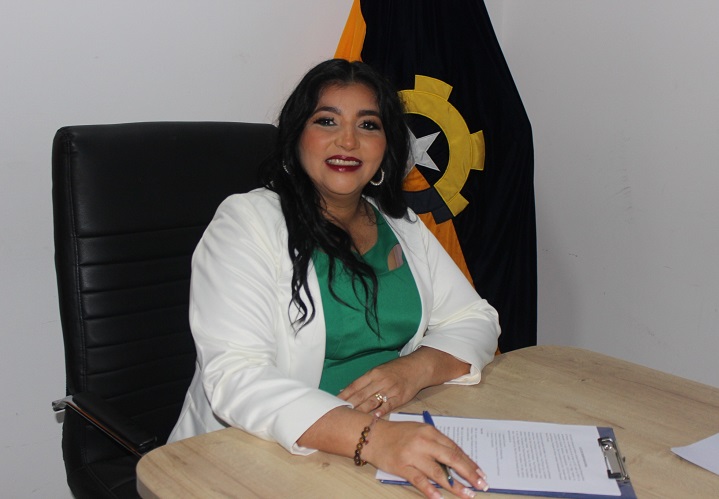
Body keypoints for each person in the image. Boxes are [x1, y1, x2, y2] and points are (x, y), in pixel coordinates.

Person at [169, 59, 500, 498]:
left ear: (386, 146)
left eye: (368, 125)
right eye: (327, 121)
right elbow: (237, 377)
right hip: (260, 452)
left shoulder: (401, 224)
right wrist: (373, 439)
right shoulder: (245, 223)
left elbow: (476, 318)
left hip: (386, 436)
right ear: (296, 137)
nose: (348, 141)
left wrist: (414, 369)